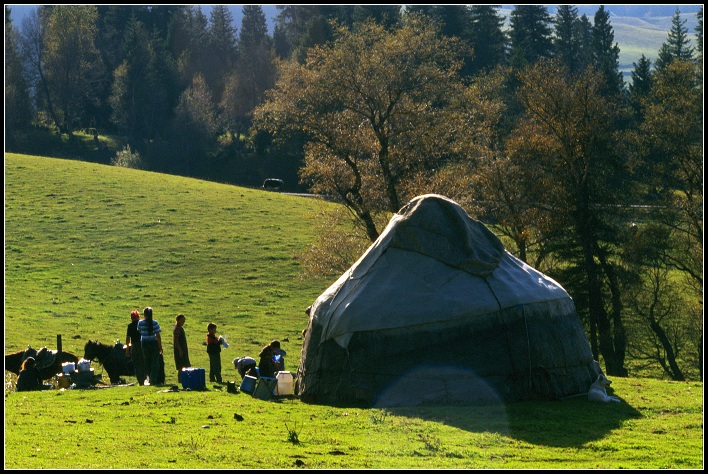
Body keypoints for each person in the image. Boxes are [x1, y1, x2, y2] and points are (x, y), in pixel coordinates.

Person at [138, 306, 163, 386]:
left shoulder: (140, 323)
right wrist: (160, 346)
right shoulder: (155, 323)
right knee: (155, 362)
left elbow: (139, 331)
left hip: (145, 344)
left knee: (147, 361)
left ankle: (149, 377)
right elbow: (158, 336)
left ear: (144, 314)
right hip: (153, 343)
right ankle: (153, 379)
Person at [125, 309, 146, 386]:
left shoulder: (130, 326)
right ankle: (144, 378)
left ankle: (140, 381)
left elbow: (128, 339)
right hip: (142, 345)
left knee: (136, 364)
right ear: (138, 317)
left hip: (134, 346)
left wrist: (127, 350)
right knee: (143, 362)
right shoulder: (142, 324)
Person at [173, 314, 190, 384]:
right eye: (182, 320)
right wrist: (180, 350)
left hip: (183, 350)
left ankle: (185, 380)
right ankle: (180, 381)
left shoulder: (180, 328)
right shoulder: (177, 329)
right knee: (181, 367)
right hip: (180, 351)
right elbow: (176, 340)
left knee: (186, 366)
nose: (183, 322)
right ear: (178, 320)